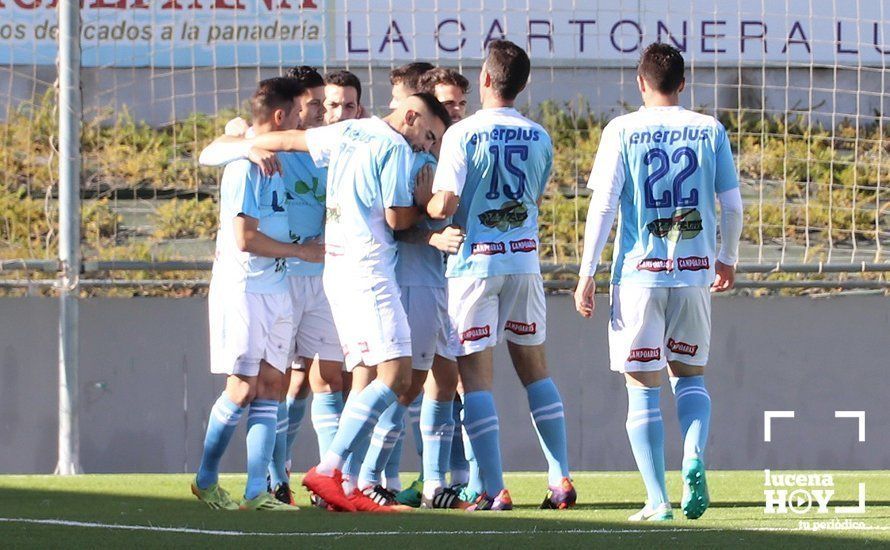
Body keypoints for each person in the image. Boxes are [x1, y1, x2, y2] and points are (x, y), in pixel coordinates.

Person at [218, 92, 451, 512]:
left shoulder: (349, 130)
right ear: (411, 115)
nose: (427, 146)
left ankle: (345, 484)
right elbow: (397, 220)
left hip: (338, 270)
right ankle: (330, 467)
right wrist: (425, 203)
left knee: (362, 377)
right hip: (370, 272)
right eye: (430, 136)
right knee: (397, 376)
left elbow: (287, 142)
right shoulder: (393, 145)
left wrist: (247, 146)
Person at [573, 42, 743, 521]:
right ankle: (693, 455)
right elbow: (732, 205)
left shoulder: (622, 129)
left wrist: (586, 273)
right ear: (683, 84)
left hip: (638, 276)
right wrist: (725, 259)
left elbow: (603, 206)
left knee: (642, 387)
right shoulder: (709, 129)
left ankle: (658, 499)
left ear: (640, 83)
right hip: (693, 276)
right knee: (689, 378)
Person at [426, 40, 575, 511]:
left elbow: (445, 204)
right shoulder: (540, 136)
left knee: (476, 381)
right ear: (523, 84)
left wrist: (424, 210)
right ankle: (560, 479)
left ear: (486, 80)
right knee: (536, 372)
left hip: (474, 265)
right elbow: (533, 195)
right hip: (524, 262)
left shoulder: (462, 134)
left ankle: (492, 487)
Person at [200, 67, 345, 506]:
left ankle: (258, 491)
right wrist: (301, 252)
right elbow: (244, 239)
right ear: (283, 116)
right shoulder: (247, 164)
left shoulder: (279, 155)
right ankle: (206, 479)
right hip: (244, 289)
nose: (313, 115)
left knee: (273, 385)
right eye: (307, 108)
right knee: (242, 387)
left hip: (278, 285)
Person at [355, 64, 468, 510]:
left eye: (459, 103)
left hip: (439, 285)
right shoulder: (416, 159)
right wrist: (431, 226)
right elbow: (397, 223)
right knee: (405, 385)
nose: (454, 112)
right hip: (413, 280)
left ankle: (436, 485)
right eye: (446, 104)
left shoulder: (445, 154)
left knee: (445, 380)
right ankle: (365, 477)